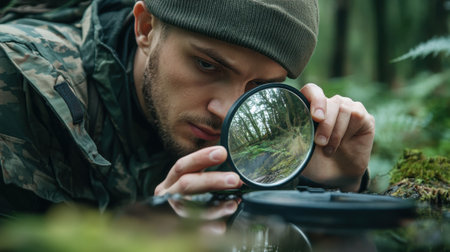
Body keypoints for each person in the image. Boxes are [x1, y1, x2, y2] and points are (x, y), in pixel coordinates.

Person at [0, 0, 375, 215]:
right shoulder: (18, 82)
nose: (227, 111)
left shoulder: (263, 129)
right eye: (207, 65)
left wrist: (331, 186)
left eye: (260, 85)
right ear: (146, 27)